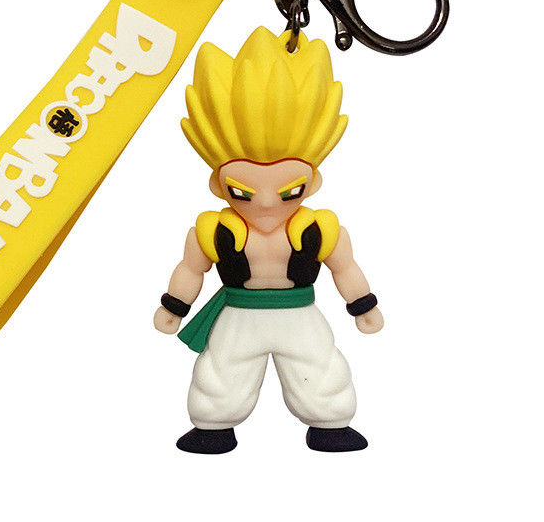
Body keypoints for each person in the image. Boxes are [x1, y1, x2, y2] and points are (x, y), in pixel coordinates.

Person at [154, 27, 383, 453]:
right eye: (242, 191)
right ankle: (213, 425)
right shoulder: (214, 231)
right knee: (222, 373)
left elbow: (345, 269)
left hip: (299, 313)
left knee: (319, 368)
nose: (264, 202)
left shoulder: (320, 229)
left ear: (312, 182)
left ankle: (330, 422)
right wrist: (174, 307)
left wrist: (362, 306)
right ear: (218, 185)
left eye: (288, 190)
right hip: (239, 315)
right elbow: (190, 270)